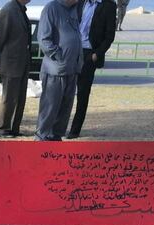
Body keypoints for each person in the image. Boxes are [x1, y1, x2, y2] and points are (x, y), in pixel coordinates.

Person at [65, 0, 117, 139]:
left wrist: (97, 54)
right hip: (72, 50)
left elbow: (110, 35)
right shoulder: (80, 2)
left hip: (89, 53)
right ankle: (59, 126)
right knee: (65, 90)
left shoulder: (109, 5)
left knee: (82, 93)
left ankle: (75, 130)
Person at [34, 0, 83, 141]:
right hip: (56, 70)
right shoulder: (51, 8)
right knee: (50, 108)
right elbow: (44, 39)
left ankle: (56, 138)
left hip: (72, 69)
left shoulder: (75, 8)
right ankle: (41, 139)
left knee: (65, 109)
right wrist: (60, 56)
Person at [0, 0, 33, 138]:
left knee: (20, 97)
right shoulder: (9, 10)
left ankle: (14, 127)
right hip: (10, 62)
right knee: (9, 97)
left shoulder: (20, 9)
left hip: (22, 61)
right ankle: (2, 128)